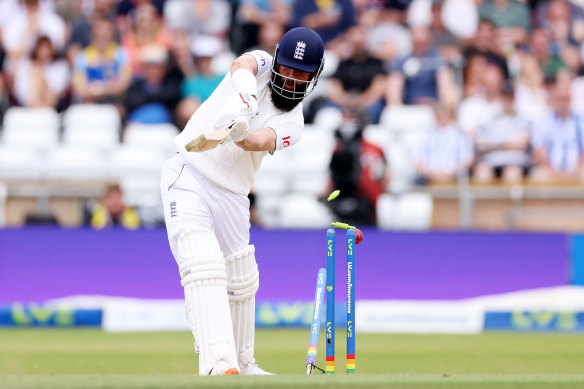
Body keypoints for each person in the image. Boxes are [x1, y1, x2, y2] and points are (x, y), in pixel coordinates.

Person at [160, 27, 325, 375]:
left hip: (234, 194)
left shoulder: (294, 122)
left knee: (241, 277)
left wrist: (241, 134)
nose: (291, 80)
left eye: (302, 75)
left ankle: (243, 363)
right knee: (204, 265)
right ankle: (220, 364)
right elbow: (242, 63)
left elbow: (258, 141)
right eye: (288, 69)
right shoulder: (263, 64)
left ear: (314, 77)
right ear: (277, 59)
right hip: (189, 174)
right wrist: (246, 99)